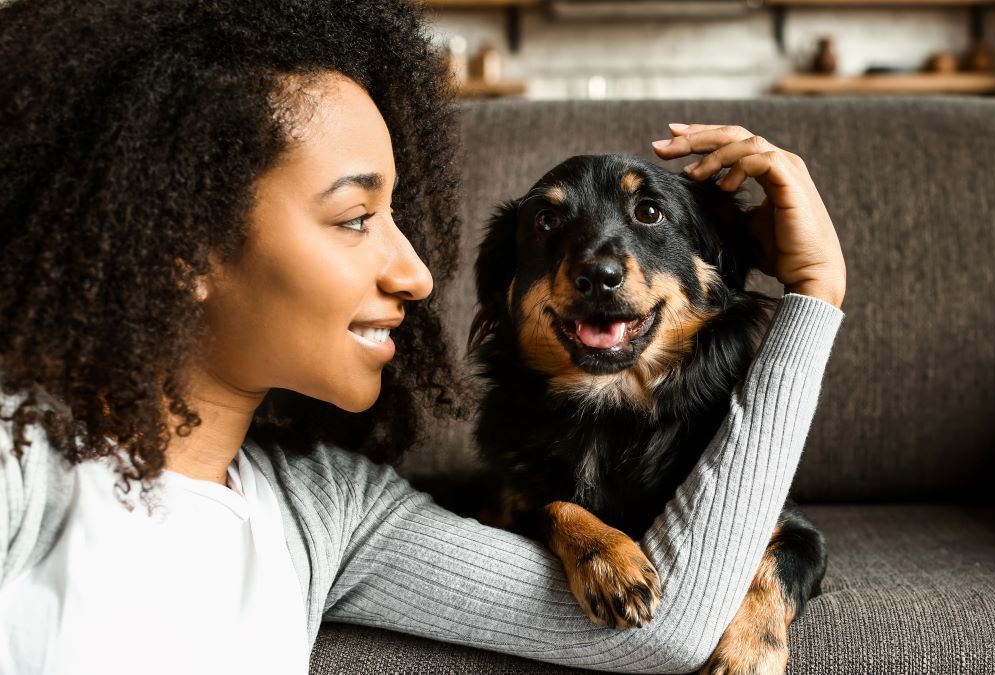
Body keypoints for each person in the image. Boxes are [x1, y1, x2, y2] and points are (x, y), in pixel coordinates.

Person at [0, 1, 847, 673]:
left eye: (397, 216)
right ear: (185, 244)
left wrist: (815, 296)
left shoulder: (329, 512)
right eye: (357, 216)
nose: (416, 273)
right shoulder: (21, 460)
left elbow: (667, 627)